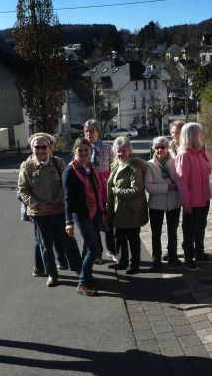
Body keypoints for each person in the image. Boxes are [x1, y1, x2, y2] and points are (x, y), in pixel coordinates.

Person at [18, 134, 81, 287]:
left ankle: (80, 270)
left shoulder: (58, 162)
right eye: (36, 147)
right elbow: (22, 190)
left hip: (59, 210)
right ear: (32, 149)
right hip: (40, 213)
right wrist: (38, 204)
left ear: (49, 148)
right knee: (45, 245)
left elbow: (66, 186)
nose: (40, 150)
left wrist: (58, 201)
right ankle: (52, 274)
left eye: (43, 147)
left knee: (67, 241)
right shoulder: (26, 166)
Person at [63, 137, 104, 295]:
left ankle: (87, 277)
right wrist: (68, 221)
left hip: (93, 212)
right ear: (74, 151)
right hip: (81, 214)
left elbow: (96, 190)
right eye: (80, 150)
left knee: (88, 247)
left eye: (86, 150)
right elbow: (67, 198)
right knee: (94, 249)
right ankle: (82, 282)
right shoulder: (70, 171)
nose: (83, 153)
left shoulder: (90, 167)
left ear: (91, 151)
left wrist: (101, 212)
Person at [106, 136, 149, 274]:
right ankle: (121, 262)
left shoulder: (134, 167)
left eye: (124, 150)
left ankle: (134, 264)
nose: (121, 154)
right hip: (118, 210)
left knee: (133, 238)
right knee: (119, 237)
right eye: (118, 151)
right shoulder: (116, 164)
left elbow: (137, 189)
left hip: (131, 211)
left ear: (129, 151)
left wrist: (119, 191)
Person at [175, 122, 212, 271]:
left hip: (204, 198)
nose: (202, 135)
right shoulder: (184, 155)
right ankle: (189, 257)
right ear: (192, 135)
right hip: (192, 201)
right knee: (190, 231)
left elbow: (209, 169)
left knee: (201, 228)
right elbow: (181, 181)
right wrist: (186, 203)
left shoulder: (199, 153)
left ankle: (200, 253)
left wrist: (203, 152)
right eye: (199, 133)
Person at [145, 136, 181, 269]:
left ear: (168, 147)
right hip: (156, 203)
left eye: (163, 147)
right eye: (157, 147)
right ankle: (156, 259)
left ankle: (173, 256)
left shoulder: (175, 161)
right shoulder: (149, 164)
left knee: (172, 231)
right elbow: (148, 186)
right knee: (156, 233)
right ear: (153, 149)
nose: (160, 150)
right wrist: (167, 187)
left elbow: (180, 179)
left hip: (173, 201)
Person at [84, 119, 115, 261]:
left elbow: (114, 168)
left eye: (92, 131)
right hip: (90, 189)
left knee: (108, 221)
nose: (89, 134)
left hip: (105, 187)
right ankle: (98, 253)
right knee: (94, 222)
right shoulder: (83, 149)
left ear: (98, 132)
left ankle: (111, 250)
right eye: (86, 131)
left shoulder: (108, 148)